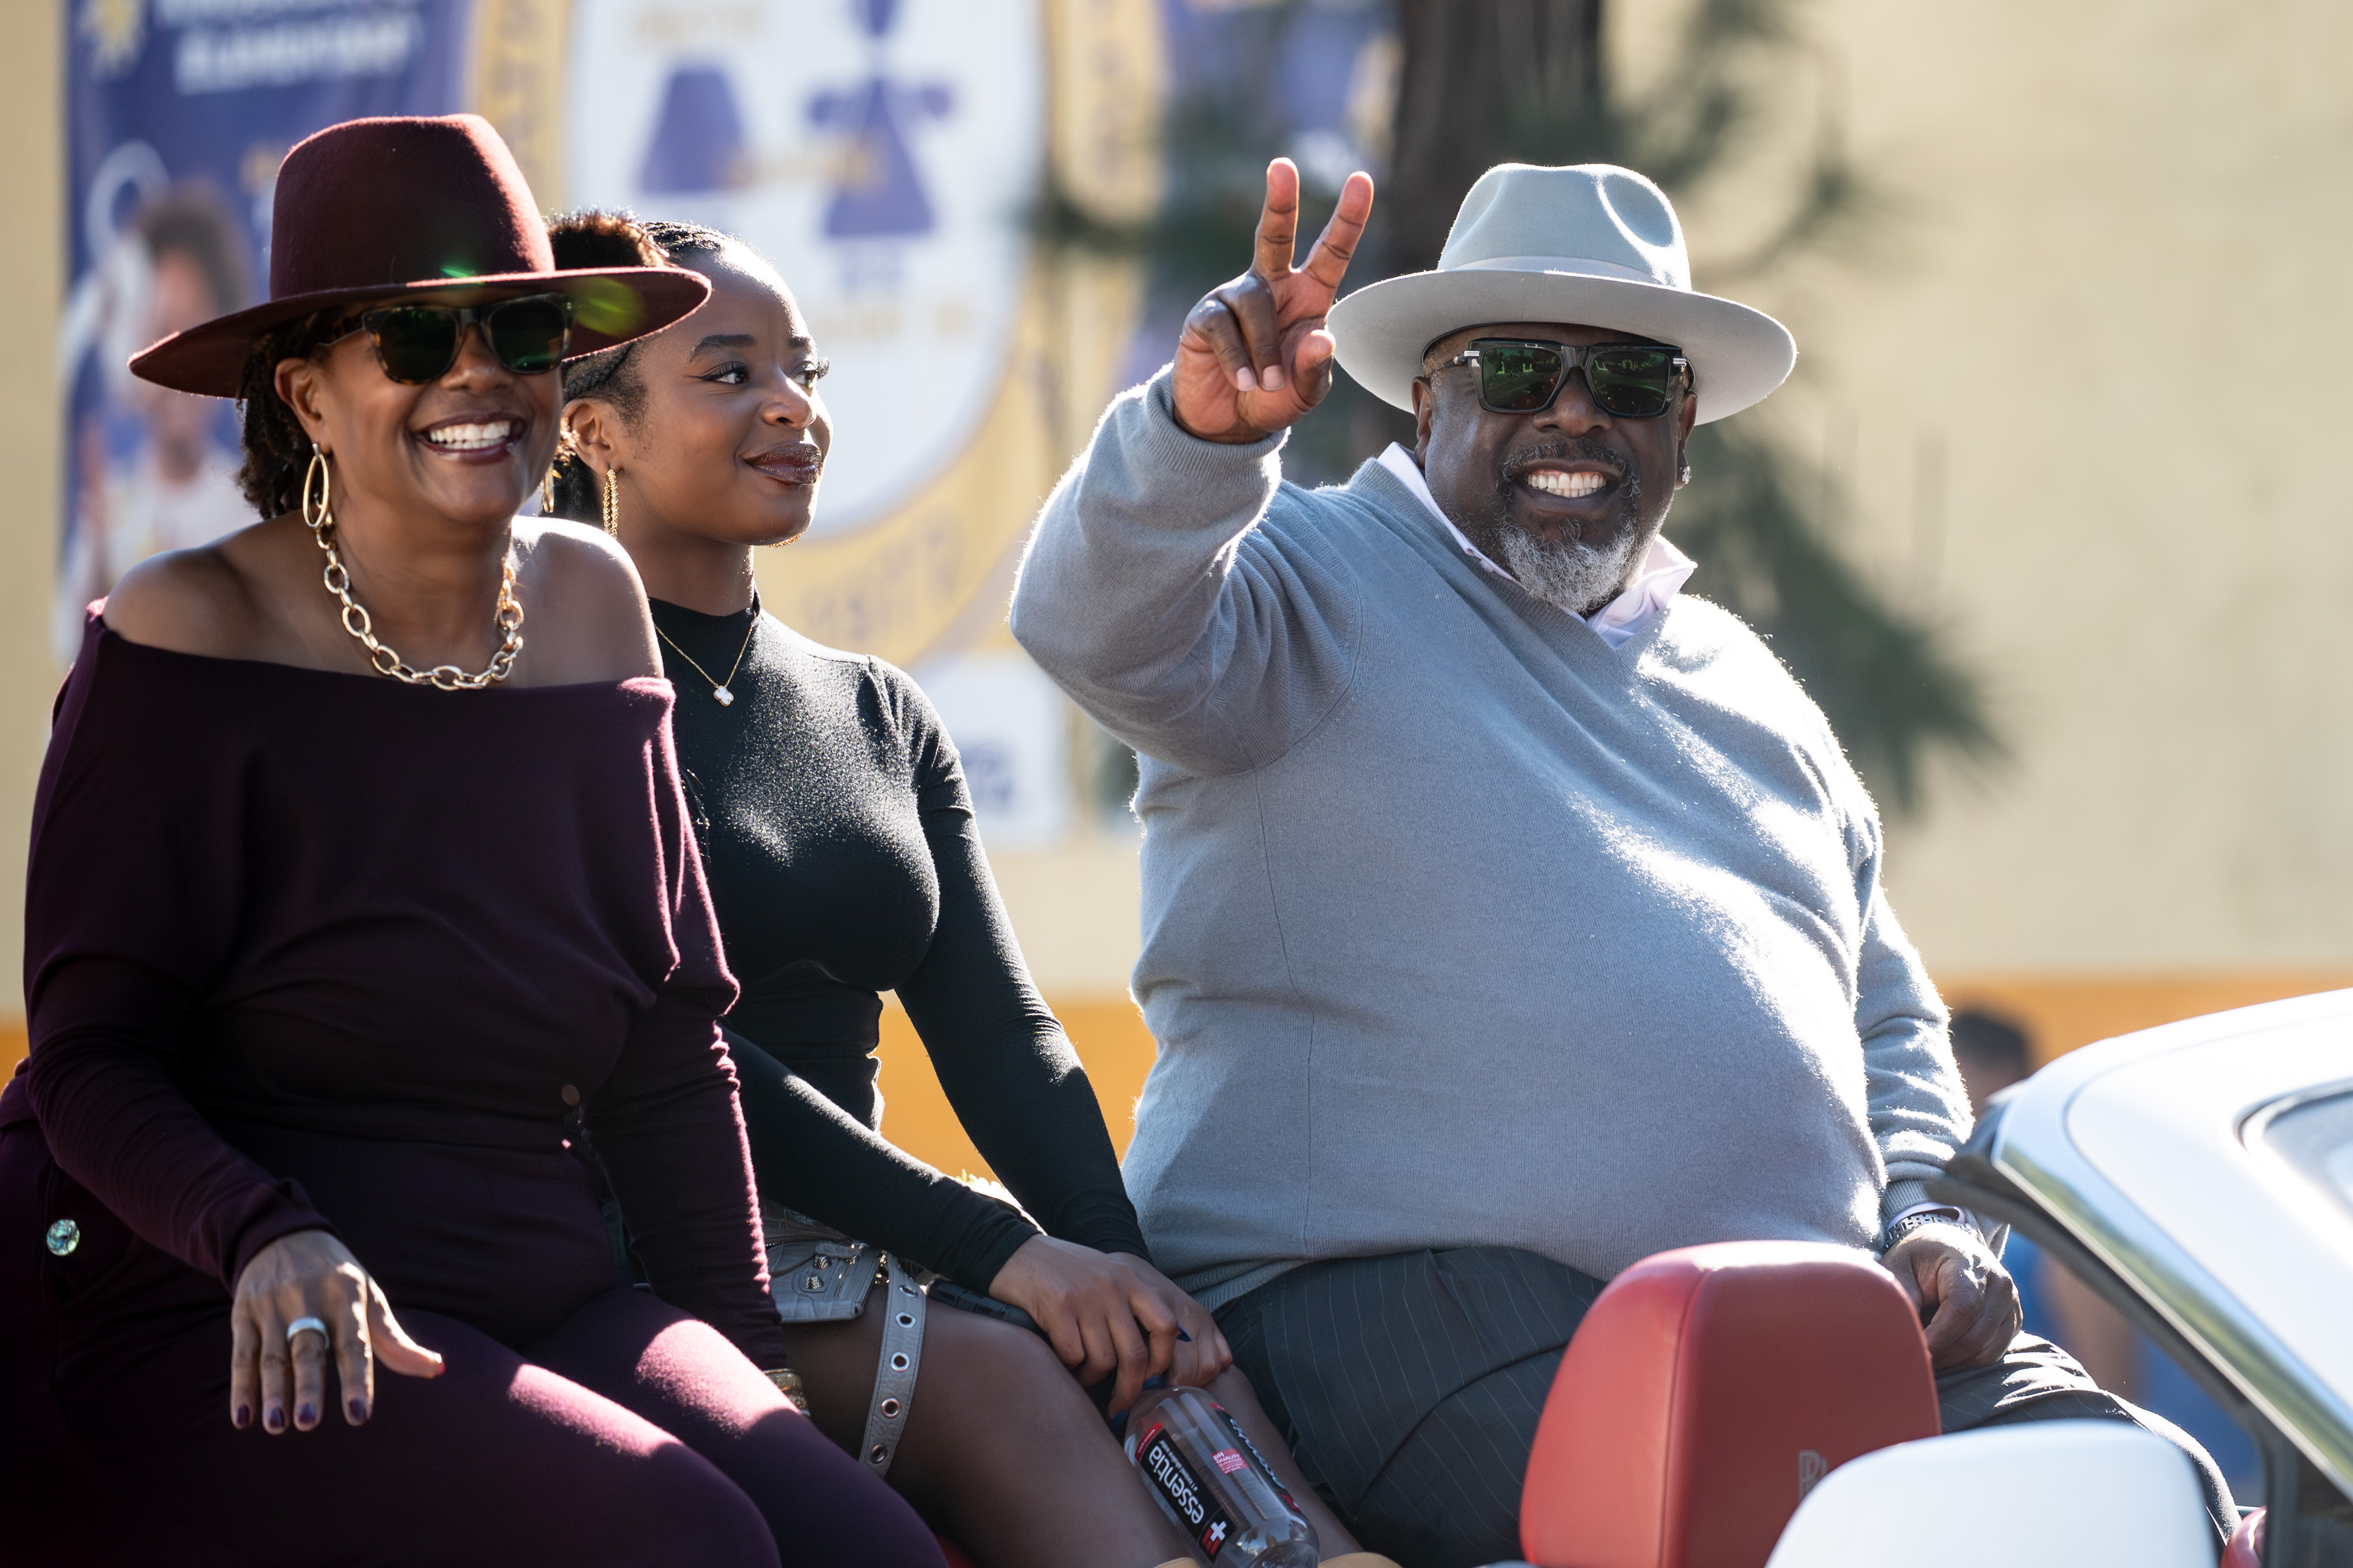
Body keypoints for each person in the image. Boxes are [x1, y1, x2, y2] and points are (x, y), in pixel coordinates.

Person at [1009, 158, 2239, 1564]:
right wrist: (1193, 442)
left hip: (1811, 1324)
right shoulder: (1304, 574)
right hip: (1390, 1302)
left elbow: (1886, 1016)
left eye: (1630, 380)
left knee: (2141, 1496)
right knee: (1742, 1528)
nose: (1573, 411)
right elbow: (1085, 625)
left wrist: (1932, 1219)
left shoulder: (1749, 687)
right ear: (1426, 399)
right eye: (1518, 368)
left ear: (1684, 426)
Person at [0, 115, 941, 1568]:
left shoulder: (591, 609)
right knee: (685, 1542)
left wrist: (744, 1352)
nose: (476, 379)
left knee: (858, 1548)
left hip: (540, 1283)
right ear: (310, 396)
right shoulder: (183, 633)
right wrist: (261, 1231)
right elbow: (87, 1057)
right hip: (248, 1305)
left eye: (515, 330)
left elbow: (667, 1046)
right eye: (413, 342)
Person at [540, 210, 1385, 1568]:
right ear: (594, 430)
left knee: (1195, 1387)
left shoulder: (878, 709)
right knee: (1012, 1380)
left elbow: (1004, 1044)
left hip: (889, 1241)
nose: (788, 410)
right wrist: (1003, 1256)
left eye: (801, 370)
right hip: (667, 1248)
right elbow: (676, 1054)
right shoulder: (555, 696)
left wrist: (1128, 1282)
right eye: (729, 373)